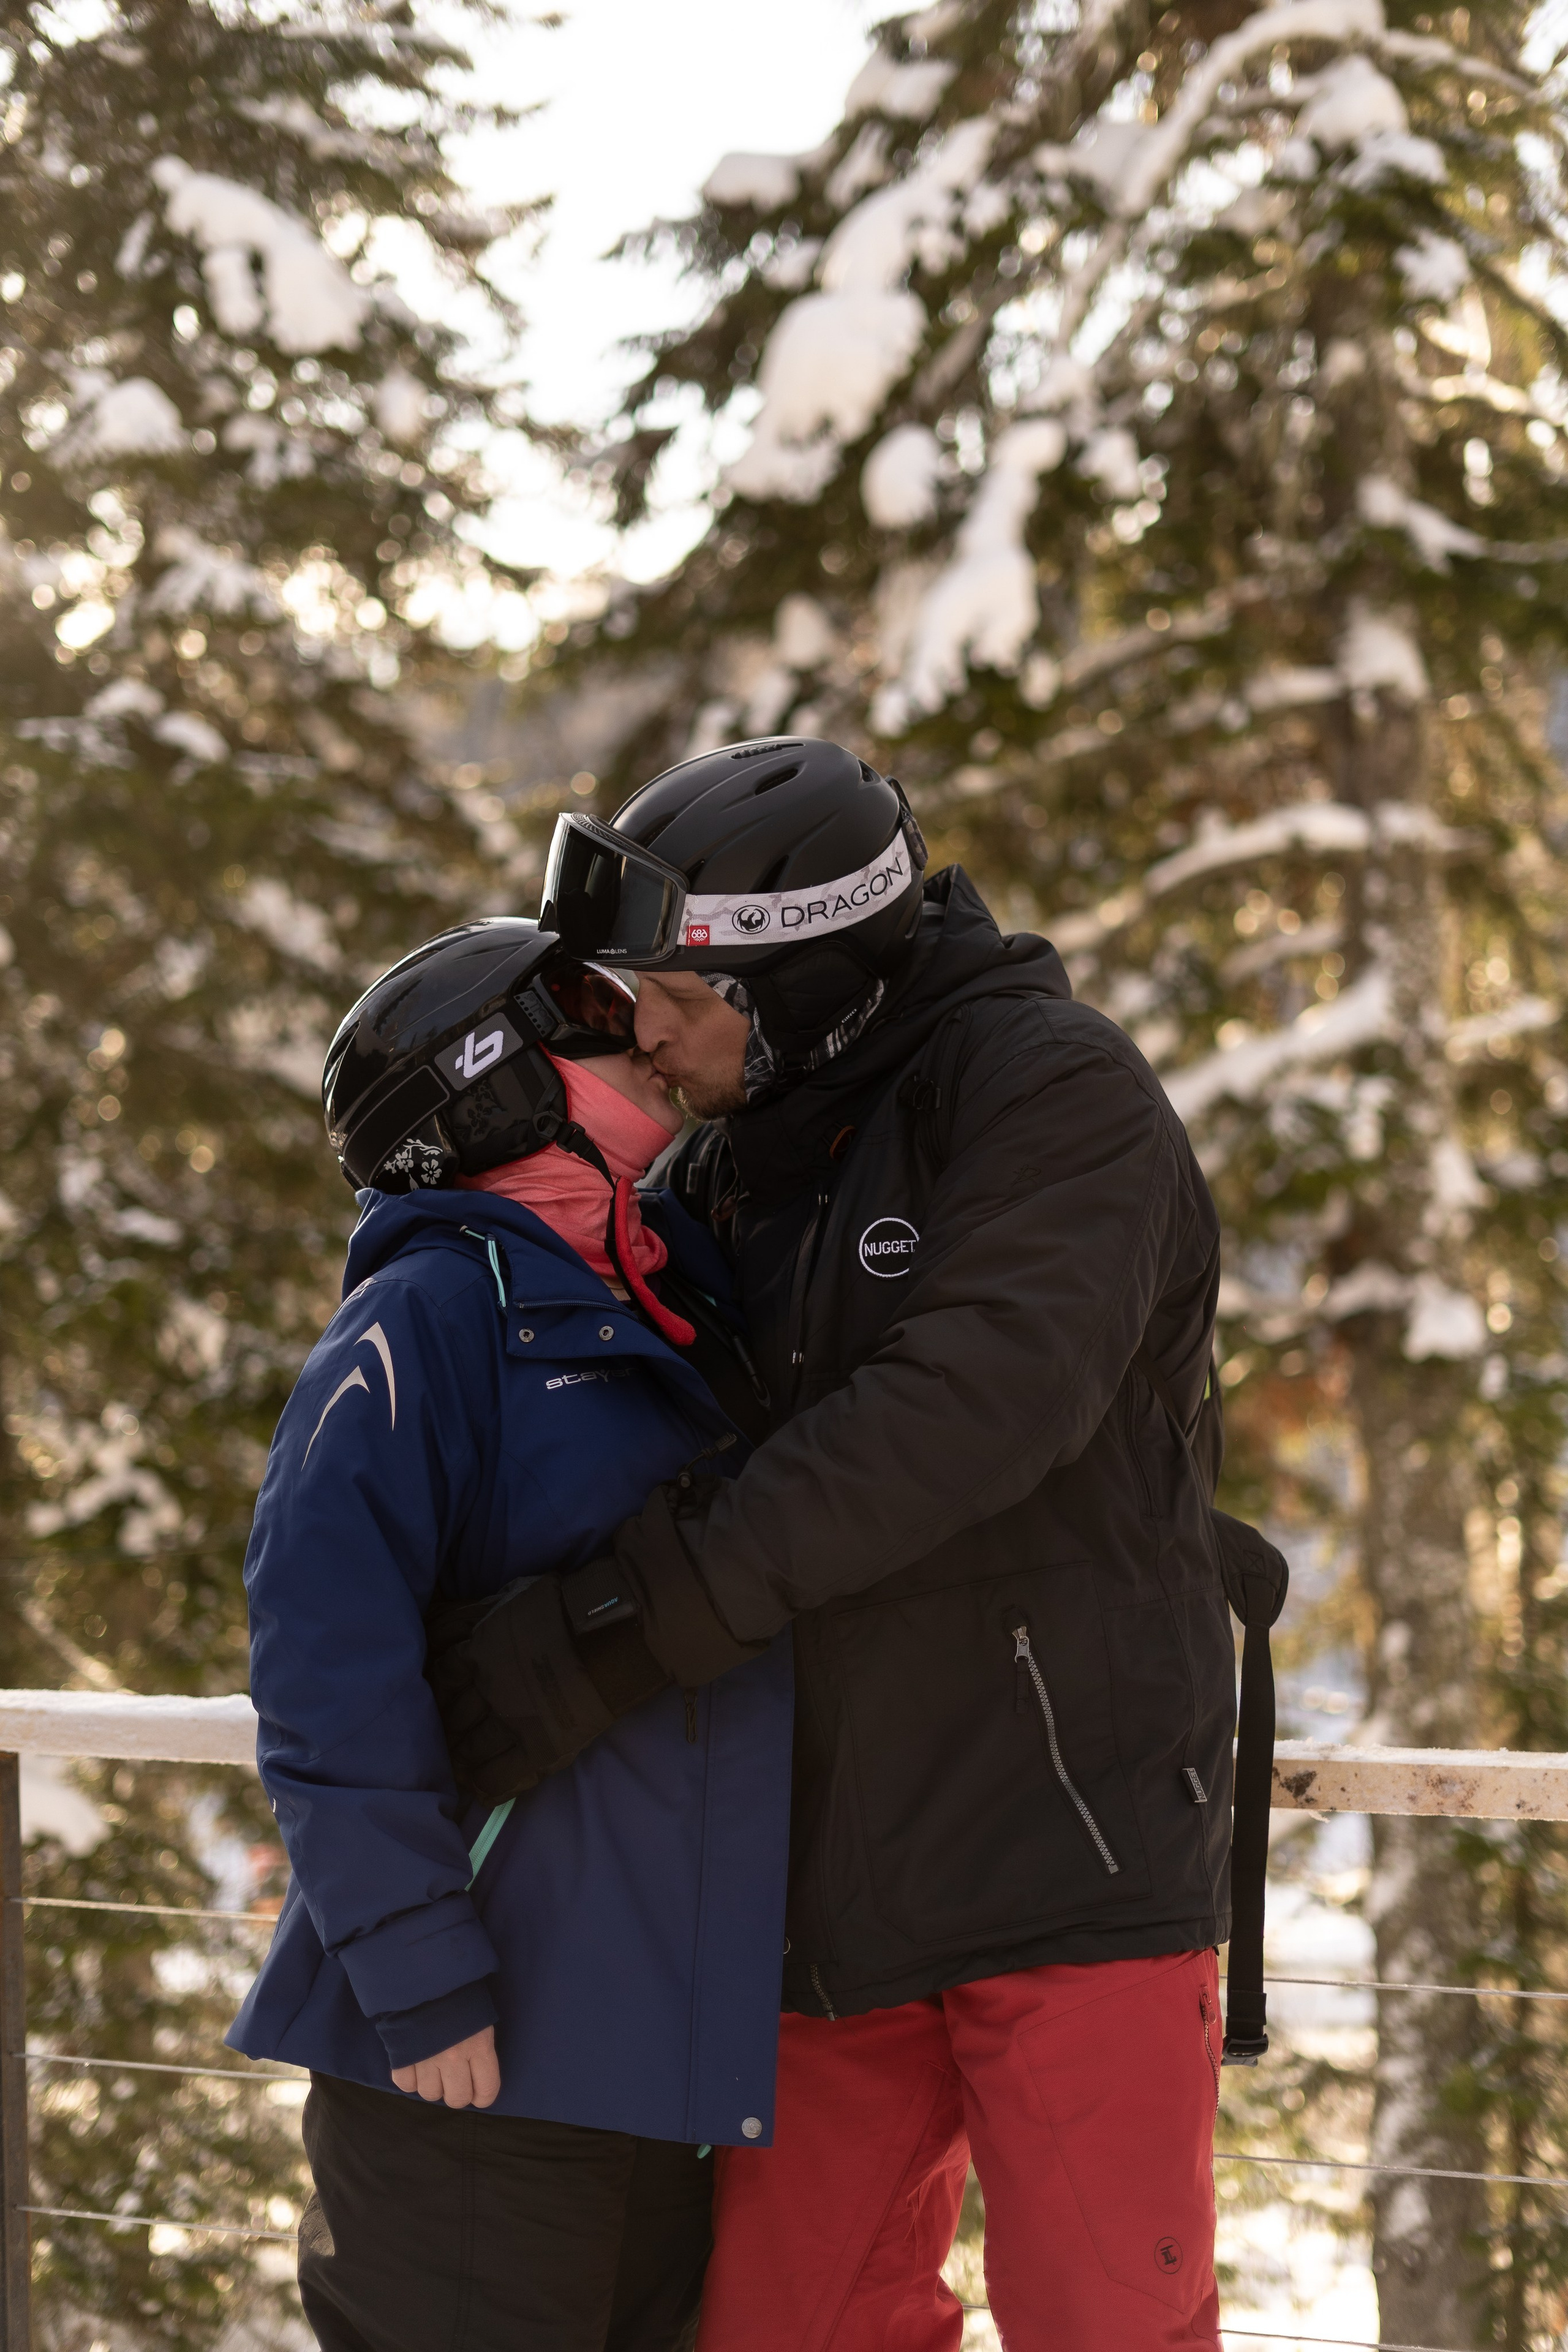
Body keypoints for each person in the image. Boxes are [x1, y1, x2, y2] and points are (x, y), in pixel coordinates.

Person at [428, 739, 1245, 2352]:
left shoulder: (1047, 1087)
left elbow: (968, 1409)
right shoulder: (745, 1148)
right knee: (790, 2329)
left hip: (1067, 1849)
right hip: (831, 1877)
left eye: (675, 994)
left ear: (798, 976)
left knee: (1109, 2327)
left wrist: (619, 1622)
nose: (644, 1035)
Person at [227, 916, 793, 2352]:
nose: (647, 1035)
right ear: (499, 1087)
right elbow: (321, 1670)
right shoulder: (419, 1324)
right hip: (471, 2074)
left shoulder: (669, 1294)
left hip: (657, 2068)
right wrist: (420, 1984)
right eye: (600, 1020)